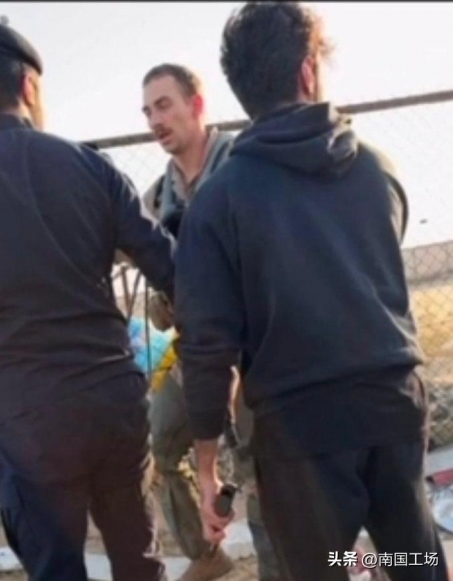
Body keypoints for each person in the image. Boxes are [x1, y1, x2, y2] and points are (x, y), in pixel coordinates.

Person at [174, 3, 448, 581]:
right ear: (307, 71)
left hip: (300, 428)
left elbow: (207, 347)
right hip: (393, 399)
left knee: (320, 567)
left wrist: (207, 465)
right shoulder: (378, 171)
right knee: (415, 557)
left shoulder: (218, 203)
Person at [0, 20, 175, 581]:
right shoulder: (91, 165)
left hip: (28, 416)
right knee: (140, 562)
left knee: (56, 569)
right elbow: (172, 268)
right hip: (112, 400)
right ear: (29, 85)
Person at [139, 63, 281, 581]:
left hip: (258, 349)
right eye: (147, 111)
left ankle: (280, 571)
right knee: (159, 447)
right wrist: (167, 303)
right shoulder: (158, 198)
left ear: (197, 105)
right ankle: (207, 553)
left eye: (164, 105)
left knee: (260, 472)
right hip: (199, 352)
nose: (155, 120)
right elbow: (162, 293)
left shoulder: (246, 165)